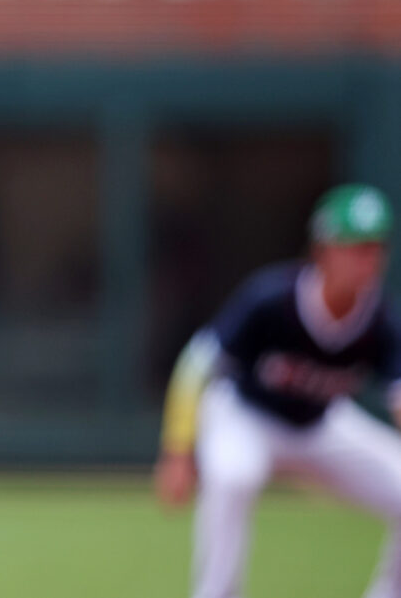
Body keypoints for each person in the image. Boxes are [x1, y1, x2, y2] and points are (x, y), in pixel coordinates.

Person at [154, 183, 401, 598]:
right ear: (323, 250)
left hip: (321, 424)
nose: (368, 260)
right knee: (234, 475)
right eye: (356, 247)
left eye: (376, 248)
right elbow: (195, 366)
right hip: (245, 416)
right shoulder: (271, 298)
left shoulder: (381, 320)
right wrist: (178, 450)